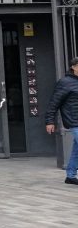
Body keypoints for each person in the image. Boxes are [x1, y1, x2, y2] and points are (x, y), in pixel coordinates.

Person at [44, 56, 78, 186]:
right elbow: (54, 103)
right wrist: (49, 121)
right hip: (75, 121)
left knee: (76, 149)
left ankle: (70, 175)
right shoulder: (65, 82)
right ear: (73, 67)